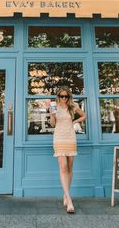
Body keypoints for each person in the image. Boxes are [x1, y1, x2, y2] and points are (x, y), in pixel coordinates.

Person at [50, 86, 86, 214]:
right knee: (63, 167)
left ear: (69, 97)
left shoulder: (72, 106)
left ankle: (65, 194)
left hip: (71, 137)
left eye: (66, 96)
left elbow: (84, 116)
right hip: (59, 138)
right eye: (62, 96)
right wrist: (52, 115)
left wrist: (75, 120)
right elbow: (52, 124)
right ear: (58, 96)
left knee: (70, 166)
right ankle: (69, 200)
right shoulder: (54, 106)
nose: (64, 98)